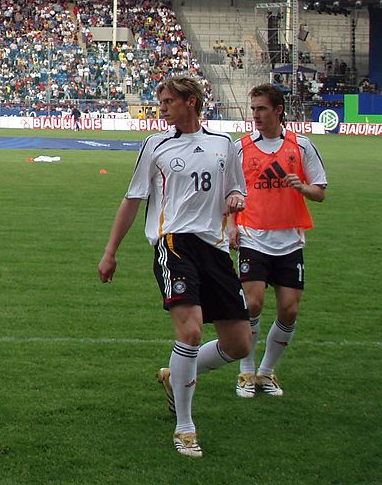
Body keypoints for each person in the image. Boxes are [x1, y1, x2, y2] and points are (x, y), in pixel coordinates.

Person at [98, 76, 251, 458]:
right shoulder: (156, 145)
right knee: (191, 332)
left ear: (192, 102)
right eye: (161, 102)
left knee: (239, 344)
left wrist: (234, 205)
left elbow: (237, 190)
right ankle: (185, 426)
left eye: (168, 101)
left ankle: (174, 374)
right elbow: (133, 198)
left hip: (214, 249)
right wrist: (110, 250)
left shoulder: (224, 145)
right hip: (173, 244)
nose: (162, 108)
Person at [230, 84, 327, 398]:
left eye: (261, 109)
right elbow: (230, 192)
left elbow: (320, 192)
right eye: (254, 108)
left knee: (289, 310)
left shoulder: (301, 146)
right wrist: (231, 225)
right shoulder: (241, 147)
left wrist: (302, 187)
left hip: (289, 238)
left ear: (278, 110)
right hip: (252, 235)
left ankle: (267, 373)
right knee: (253, 303)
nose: (255, 115)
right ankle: (246, 371)